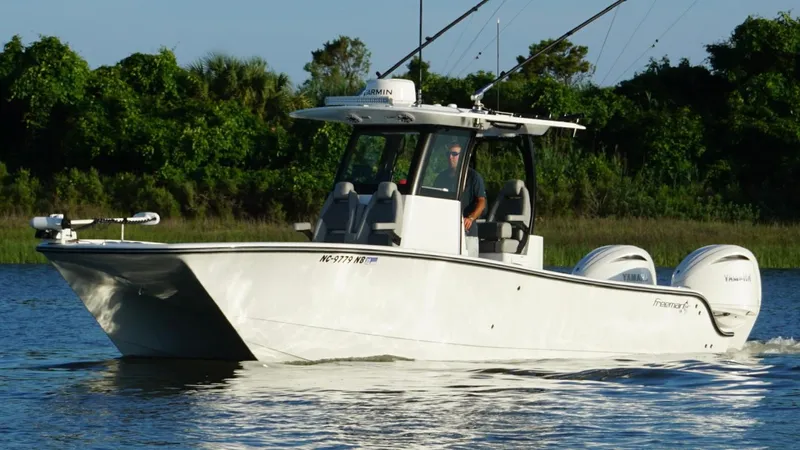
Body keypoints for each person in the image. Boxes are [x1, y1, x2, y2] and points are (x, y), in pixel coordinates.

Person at [433, 142, 487, 236]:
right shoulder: (441, 177)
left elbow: (482, 202)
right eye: (448, 154)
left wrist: (470, 218)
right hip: (445, 223)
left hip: (466, 226)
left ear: (462, 157)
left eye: (454, 154)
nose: (450, 157)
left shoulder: (473, 177)